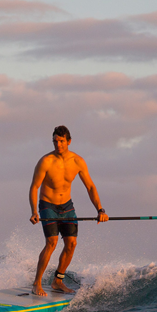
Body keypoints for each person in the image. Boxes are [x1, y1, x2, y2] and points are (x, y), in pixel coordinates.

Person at [29, 125, 108, 296]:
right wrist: (34, 212)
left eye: (62, 141)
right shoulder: (46, 161)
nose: (58, 145)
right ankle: (37, 284)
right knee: (52, 242)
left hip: (67, 206)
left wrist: (100, 210)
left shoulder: (77, 161)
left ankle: (58, 281)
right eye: (55, 141)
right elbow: (34, 187)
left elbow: (90, 187)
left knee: (71, 244)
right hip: (47, 205)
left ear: (69, 141)